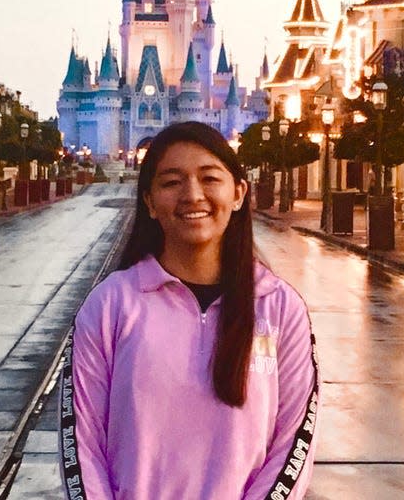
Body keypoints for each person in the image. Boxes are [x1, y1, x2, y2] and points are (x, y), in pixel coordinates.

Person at [59, 121, 319, 499]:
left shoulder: (281, 310)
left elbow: (294, 444)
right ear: (149, 200)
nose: (192, 195)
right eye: (171, 182)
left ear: (239, 193)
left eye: (210, 178)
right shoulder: (109, 305)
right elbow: (80, 443)